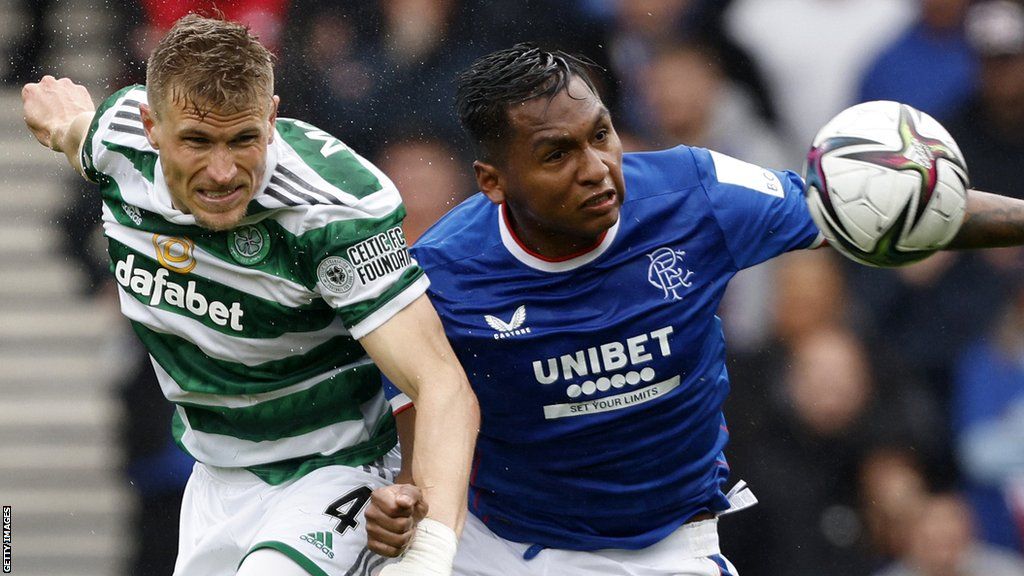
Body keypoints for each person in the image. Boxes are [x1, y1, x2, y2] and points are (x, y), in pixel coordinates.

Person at [366, 43, 1024, 575]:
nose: (596, 168)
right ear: (493, 181)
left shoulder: (697, 193)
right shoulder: (447, 274)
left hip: (668, 546)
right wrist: (403, 501)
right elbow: (416, 425)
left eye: (601, 135)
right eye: (556, 155)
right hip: (503, 550)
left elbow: (873, 207)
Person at [20, 14, 479, 576]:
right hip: (214, 476)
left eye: (243, 139)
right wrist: (58, 119)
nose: (221, 172)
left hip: (334, 467)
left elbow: (441, 384)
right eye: (196, 142)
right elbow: (75, 129)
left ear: (272, 119)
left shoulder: (330, 210)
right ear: (150, 127)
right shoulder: (116, 142)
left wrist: (429, 556)